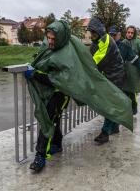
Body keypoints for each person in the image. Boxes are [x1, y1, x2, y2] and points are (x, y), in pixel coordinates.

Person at [25, 20, 133, 172]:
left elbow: (61, 80)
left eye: (52, 39)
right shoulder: (55, 44)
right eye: (48, 38)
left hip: (61, 91)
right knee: (53, 118)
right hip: (48, 91)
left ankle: (40, 155)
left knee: (48, 118)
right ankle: (56, 144)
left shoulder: (70, 53)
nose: (49, 41)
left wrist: (35, 75)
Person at [87, 18, 126, 144]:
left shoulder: (106, 41)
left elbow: (95, 61)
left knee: (110, 105)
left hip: (115, 76)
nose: (91, 35)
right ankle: (114, 127)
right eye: (90, 33)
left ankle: (105, 133)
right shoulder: (98, 41)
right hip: (111, 75)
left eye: (93, 33)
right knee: (112, 103)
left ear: (98, 31)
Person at [109, 26, 140, 114]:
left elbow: (135, 59)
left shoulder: (124, 47)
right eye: (111, 35)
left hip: (121, 77)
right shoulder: (105, 46)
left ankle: (131, 108)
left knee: (127, 94)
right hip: (109, 78)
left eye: (114, 35)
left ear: (119, 35)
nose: (112, 37)